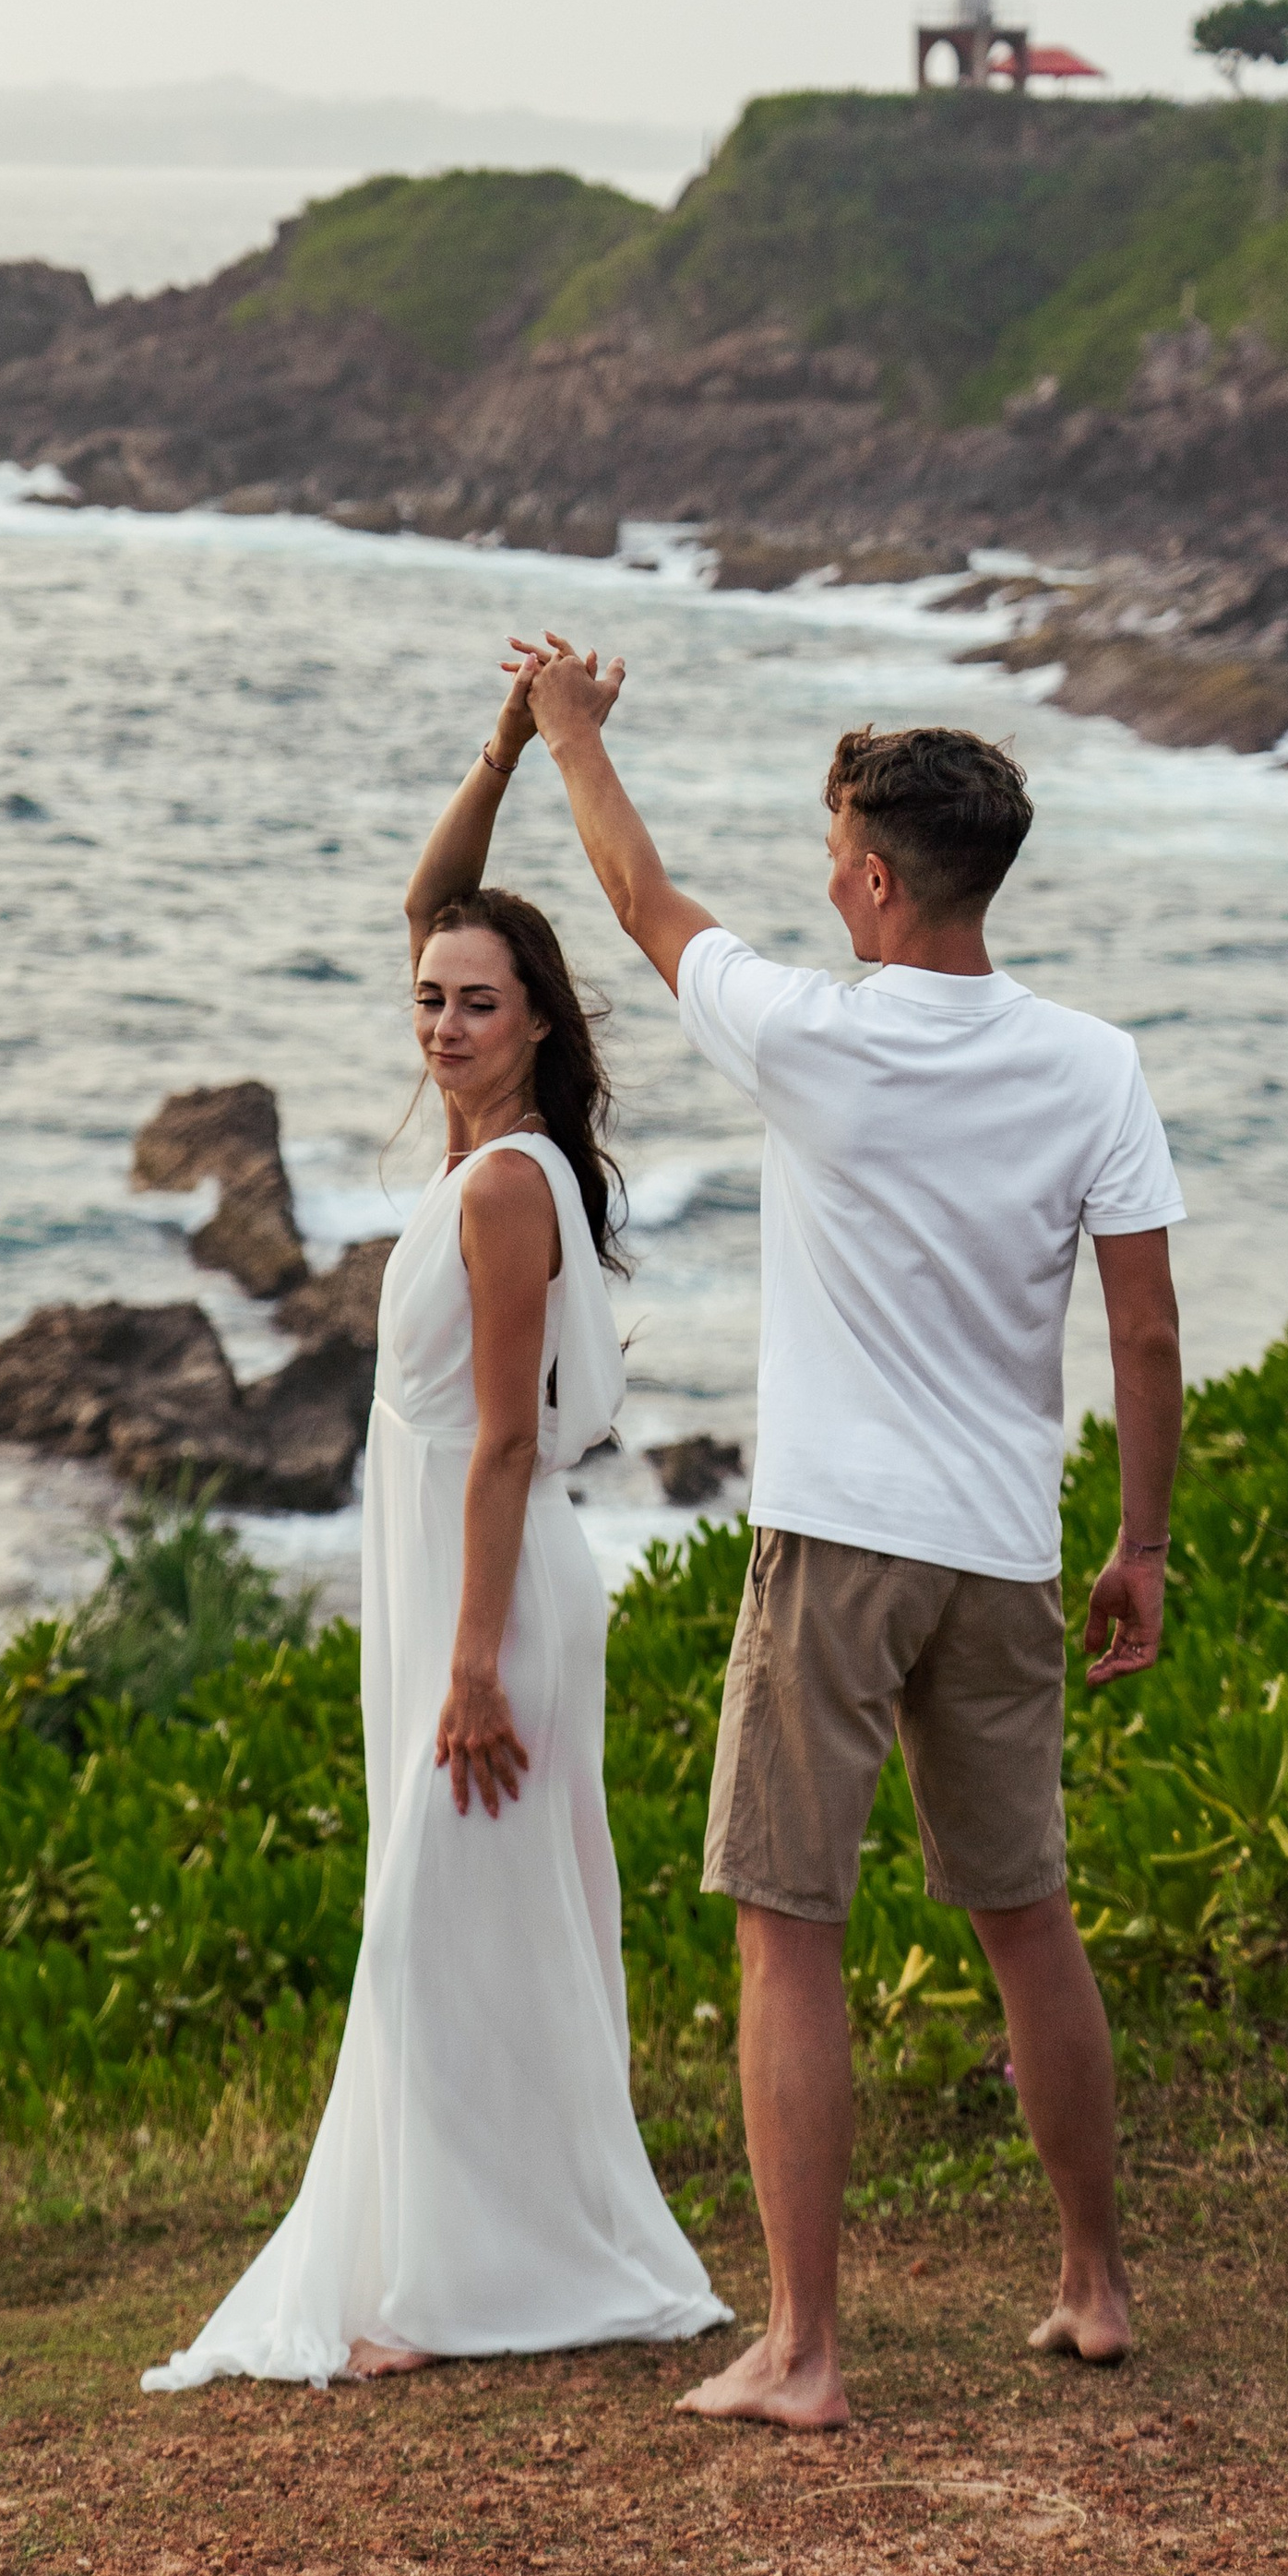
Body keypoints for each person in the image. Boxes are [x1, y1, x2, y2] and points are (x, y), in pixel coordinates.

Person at [512, 637, 1185, 2432]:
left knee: (783, 1923)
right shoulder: (1091, 1064)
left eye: (831, 856)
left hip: (830, 1544)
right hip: (1000, 1542)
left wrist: (564, 730)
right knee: (1025, 1918)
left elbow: (637, 893)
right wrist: (1141, 1541)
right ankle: (1093, 2285)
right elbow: (1140, 1332)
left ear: (878, 879)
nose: (820, 879)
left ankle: (803, 2346)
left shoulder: (806, 1031)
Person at [141, 656, 727, 2394]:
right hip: (458, 1586)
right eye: (431, 998)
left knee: (438, 1927)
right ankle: (480, 2257)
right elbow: (430, 896)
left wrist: (472, 1667)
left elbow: (490, 1450)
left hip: (493, 1593)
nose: (443, 1017)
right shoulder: (497, 1155)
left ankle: (475, 2278)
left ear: (539, 1017)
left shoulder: (501, 1190)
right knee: (478, 1925)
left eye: (478, 1000)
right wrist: (499, 748)